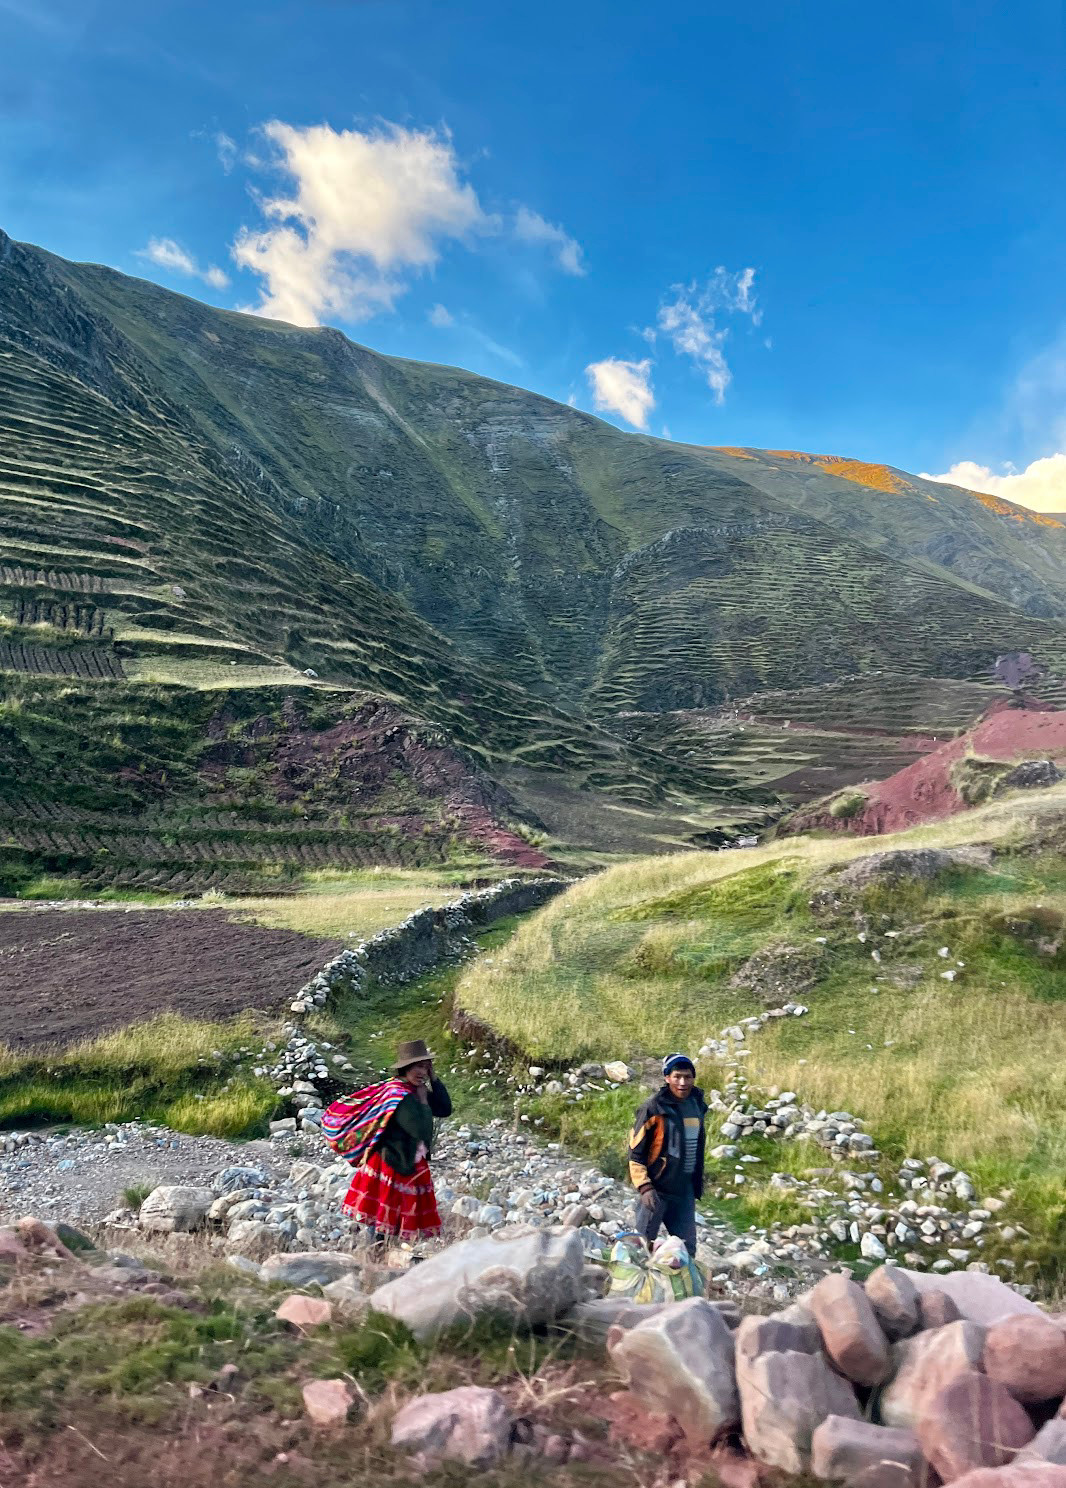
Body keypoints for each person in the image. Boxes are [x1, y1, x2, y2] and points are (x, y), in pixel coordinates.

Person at [341, 1039, 452, 1246]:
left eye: (425, 1067)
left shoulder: (412, 1089)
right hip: (392, 1162)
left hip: (406, 1160)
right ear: (406, 1068)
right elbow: (419, 1129)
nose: (422, 1072)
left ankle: (383, 1252)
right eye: (418, 1067)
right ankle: (376, 1253)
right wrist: (424, 1101)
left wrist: (434, 1079)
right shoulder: (400, 1094)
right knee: (384, 1215)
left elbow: (444, 1109)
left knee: (391, 1214)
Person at [628, 1052, 707, 1257]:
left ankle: (679, 1279)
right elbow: (635, 1153)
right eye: (677, 1076)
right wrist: (645, 1187)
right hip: (656, 1189)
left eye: (687, 1077)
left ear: (693, 1078)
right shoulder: (653, 1108)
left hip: (684, 1190)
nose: (682, 1082)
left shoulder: (697, 1104)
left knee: (686, 1250)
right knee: (642, 1246)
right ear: (667, 1078)